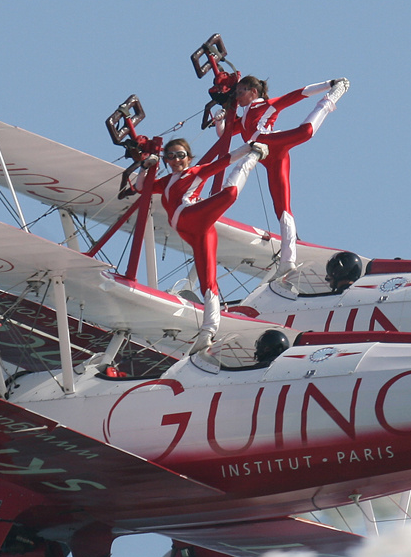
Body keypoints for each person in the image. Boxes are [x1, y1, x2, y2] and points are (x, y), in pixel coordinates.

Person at [200, 75, 349, 279]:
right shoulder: (243, 117)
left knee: (305, 132)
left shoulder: (266, 105)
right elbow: (224, 134)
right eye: (237, 93)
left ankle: (331, 99)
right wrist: (219, 120)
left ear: (254, 92)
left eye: (241, 91)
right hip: (267, 158)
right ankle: (288, 261)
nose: (238, 96)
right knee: (282, 209)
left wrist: (328, 85)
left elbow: (295, 95)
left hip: (271, 143)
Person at [146, 137, 267, 353]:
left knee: (229, 194)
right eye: (170, 157)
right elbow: (139, 188)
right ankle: (208, 332)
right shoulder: (164, 183)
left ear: (189, 158)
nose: (175, 160)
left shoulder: (195, 173)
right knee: (207, 280)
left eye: (180, 155)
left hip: (192, 217)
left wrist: (249, 148)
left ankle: (253, 158)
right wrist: (147, 163)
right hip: (190, 231)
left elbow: (223, 161)